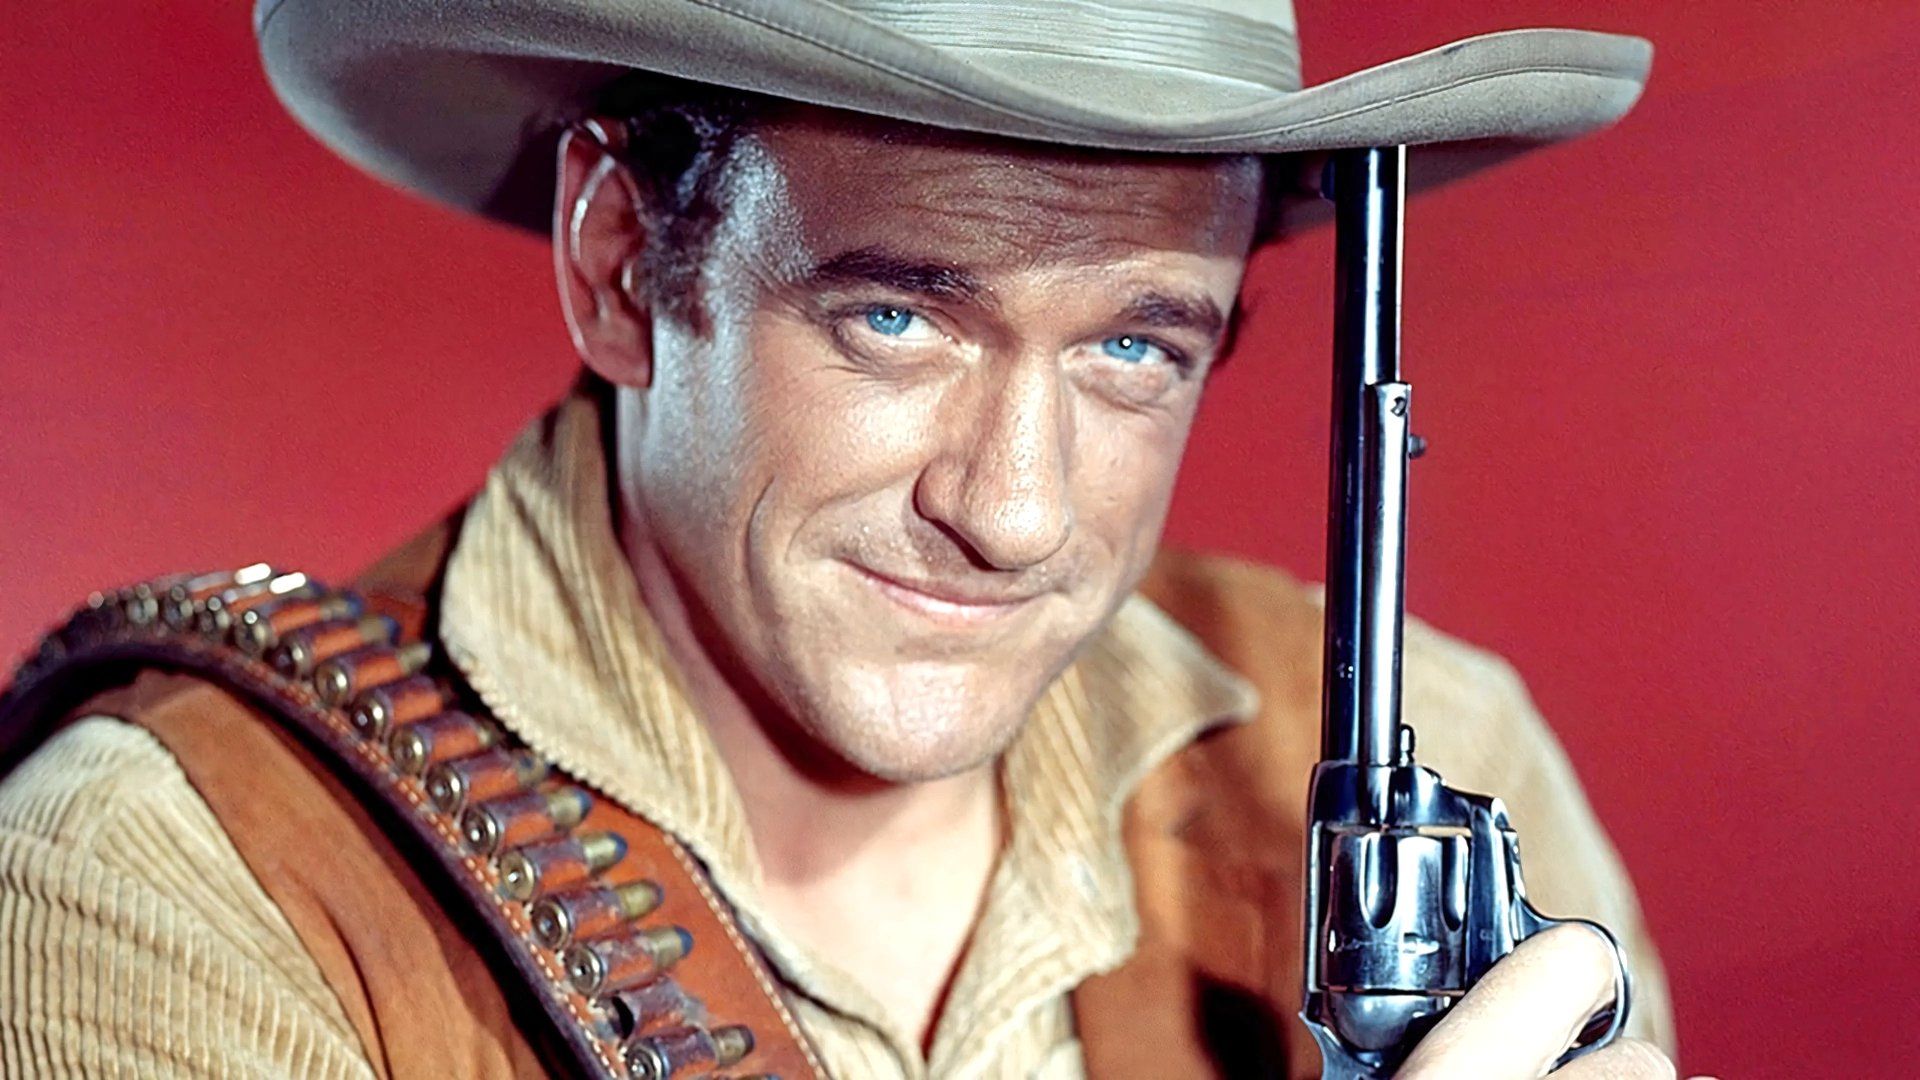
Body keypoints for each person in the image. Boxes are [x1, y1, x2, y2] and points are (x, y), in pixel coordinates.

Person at [0, 2, 1690, 1077]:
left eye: (1134, 348)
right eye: (897, 318)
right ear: (619, 261)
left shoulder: (1442, 745)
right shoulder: (177, 881)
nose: (1013, 513)